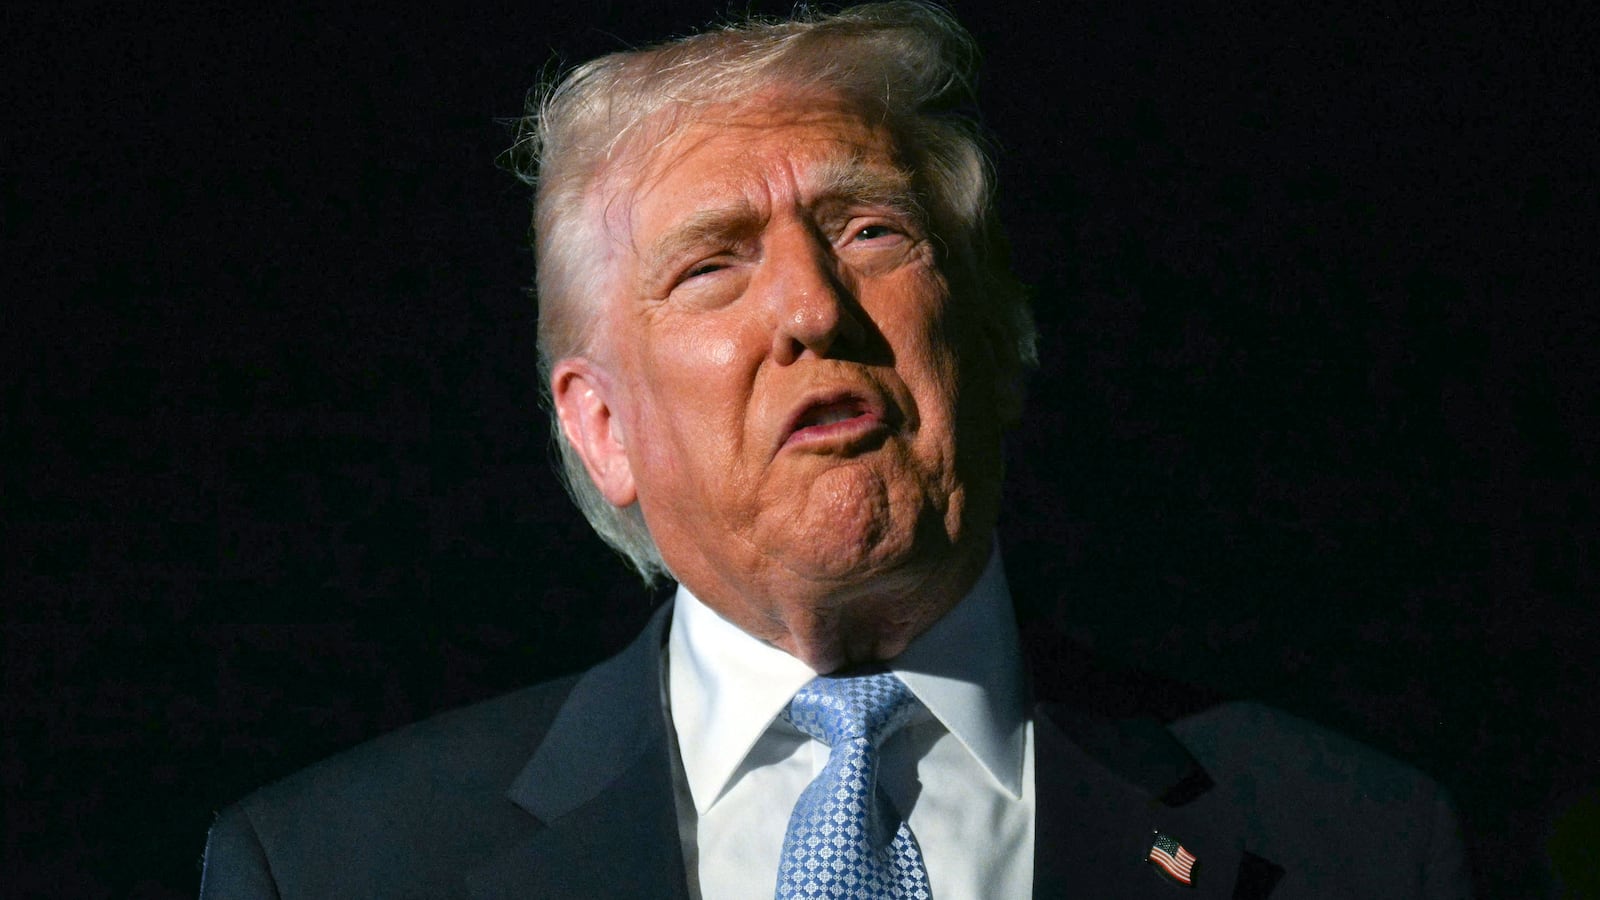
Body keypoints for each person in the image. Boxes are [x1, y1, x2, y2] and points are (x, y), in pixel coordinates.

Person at [198, 4, 1470, 897]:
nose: (813, 309)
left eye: (870, 233)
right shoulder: (336, 867)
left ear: (995, 335)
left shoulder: (1353, 843)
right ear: (600, 428)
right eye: (712, 265)